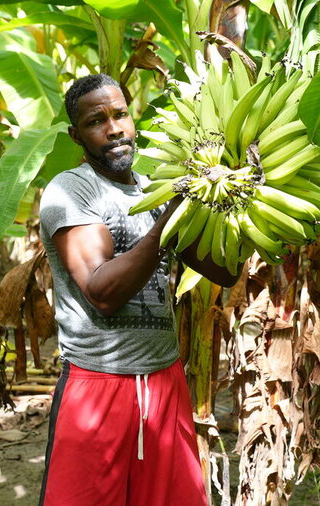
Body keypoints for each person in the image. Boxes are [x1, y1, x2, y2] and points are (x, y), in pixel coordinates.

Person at [37, 74, 241, 505]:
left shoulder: (155, 188)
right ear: (77, 135)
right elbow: (103, 293)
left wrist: (234, 196)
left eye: (120, 114)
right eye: (97, 121)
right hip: (98, 385)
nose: (113, 128)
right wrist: (169, 217)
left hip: (164, 381)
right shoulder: (71, 191)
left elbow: (225, 271)